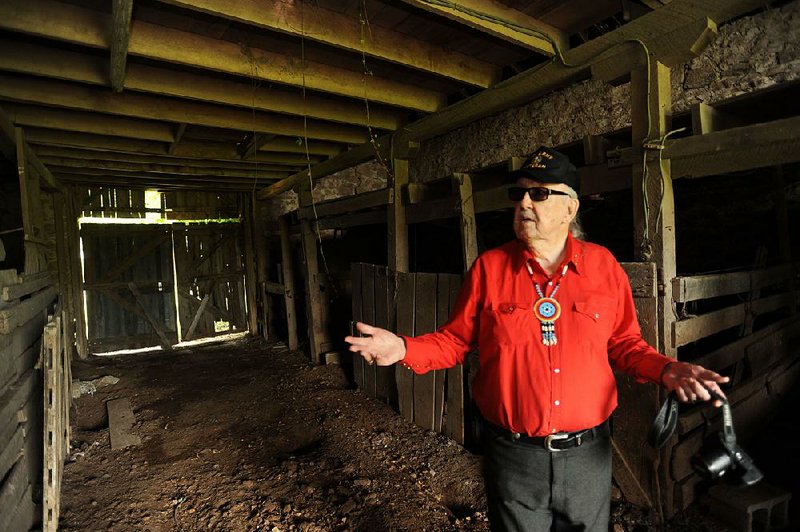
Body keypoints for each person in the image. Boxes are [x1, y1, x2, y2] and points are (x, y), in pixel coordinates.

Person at [344, 146, 728, 531]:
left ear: (570, 209)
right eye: (520, 193)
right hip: (513, 455)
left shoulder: (603, 267)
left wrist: (668, 370)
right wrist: (405, 348)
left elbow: (625, 344)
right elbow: (455, 341)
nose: (524, 202)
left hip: (587, 457)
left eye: (540, 193)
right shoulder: (490, 269)